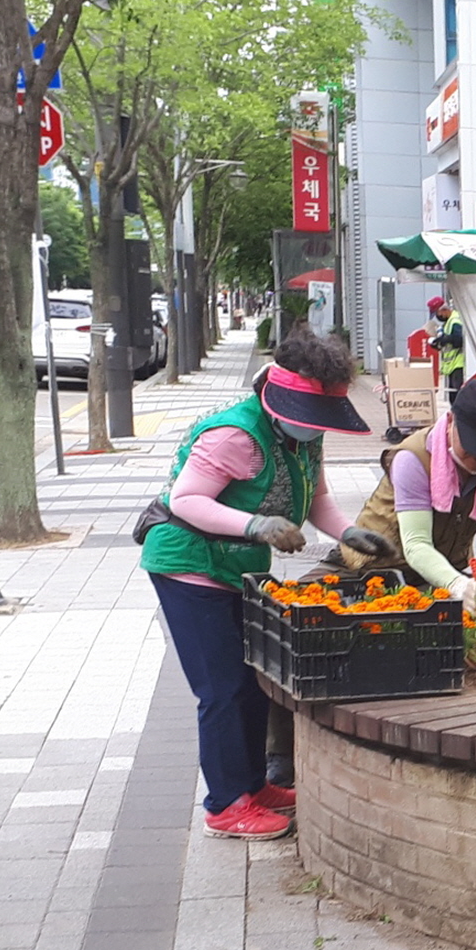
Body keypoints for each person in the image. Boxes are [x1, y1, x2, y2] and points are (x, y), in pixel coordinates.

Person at [139, 331, 390, 840]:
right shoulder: (234, 435)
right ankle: (226, 804)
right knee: (221, 689)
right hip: (189, 565)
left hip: (240, 568)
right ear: (278, 398)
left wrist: (347, 533)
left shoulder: (305, 433)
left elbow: (316, 497)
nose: (317, 427)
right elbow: (187, 499)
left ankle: (254, 785)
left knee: (253, 680)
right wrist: (256, 526)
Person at [337, 377, 476, 598]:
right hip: (374, 570)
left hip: (436, 574)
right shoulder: (413, 459)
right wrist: (458, 585)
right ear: (450, 422)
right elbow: (416, 545)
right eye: (473, 444)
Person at [427, 295, 466, 399]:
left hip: (458, 364)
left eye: (437, 314)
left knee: (457, 397)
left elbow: (459, 340)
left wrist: (445, 339)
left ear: (443, 310)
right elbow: (448, 344)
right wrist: (438, 344)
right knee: (452, 397)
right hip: (452, 366)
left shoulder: (455, 320)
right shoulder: (447, 323)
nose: (438, 317)